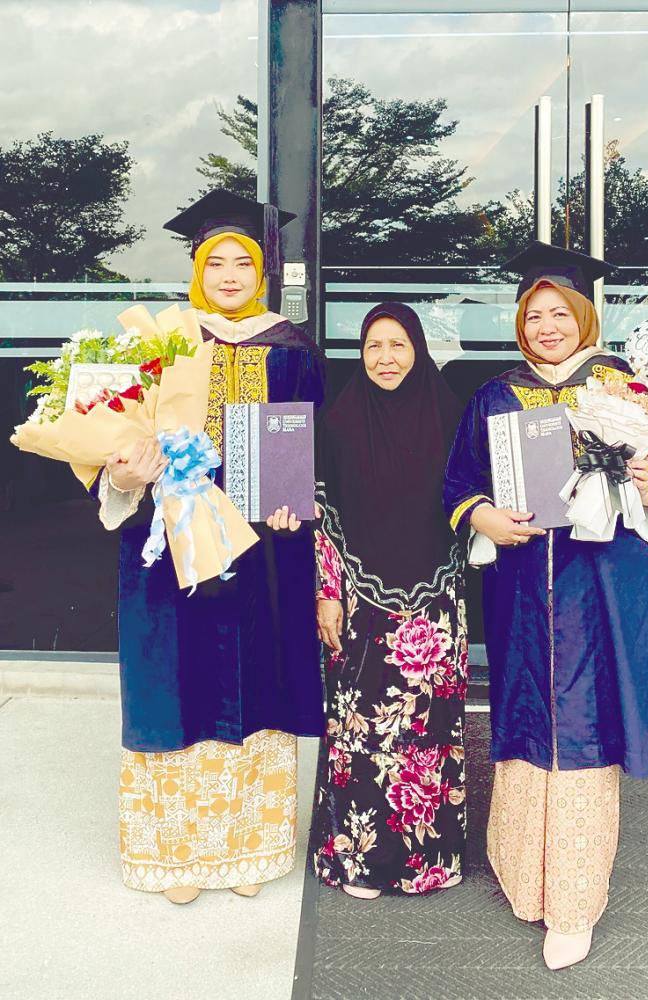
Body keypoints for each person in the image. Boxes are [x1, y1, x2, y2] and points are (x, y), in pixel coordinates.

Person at [443, 242, 648, 968]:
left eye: (560, 312)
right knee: (525, 716)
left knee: (585, 726)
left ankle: (576, 902)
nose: (547, 326)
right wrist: (480, 514)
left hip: (600, 590)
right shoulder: (496, 394)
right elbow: (457, 481)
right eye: (534, 314)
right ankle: (523, 878)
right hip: (523, 589)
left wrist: (646, 477)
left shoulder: (625, 390)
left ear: (584, 315)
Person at [98, 189, 325, 904]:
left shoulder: (289, 347)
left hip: (259, 548)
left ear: (262, 274)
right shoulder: (160, 344)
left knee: (254, 677)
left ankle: (246, 850)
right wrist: (121, 471)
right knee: (175, 677)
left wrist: (299, 506)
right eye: (214, 261)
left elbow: (309, 445)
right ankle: (178, 855)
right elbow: (116, 437)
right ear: (196, 268)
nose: (229, 276)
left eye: (243, 264)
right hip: (165, 541)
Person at [312, 302, 468, 898]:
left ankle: (430, 859)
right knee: (360, 732)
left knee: (428, 736)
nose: (385, 358)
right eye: (374, 346)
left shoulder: (450, 415)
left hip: (436, 604)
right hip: (358, 603)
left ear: (419, 350)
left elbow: (473, 501)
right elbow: (322, 516)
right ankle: (359, 860)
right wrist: (328, 595)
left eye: (398, 345)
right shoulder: (339, 419)